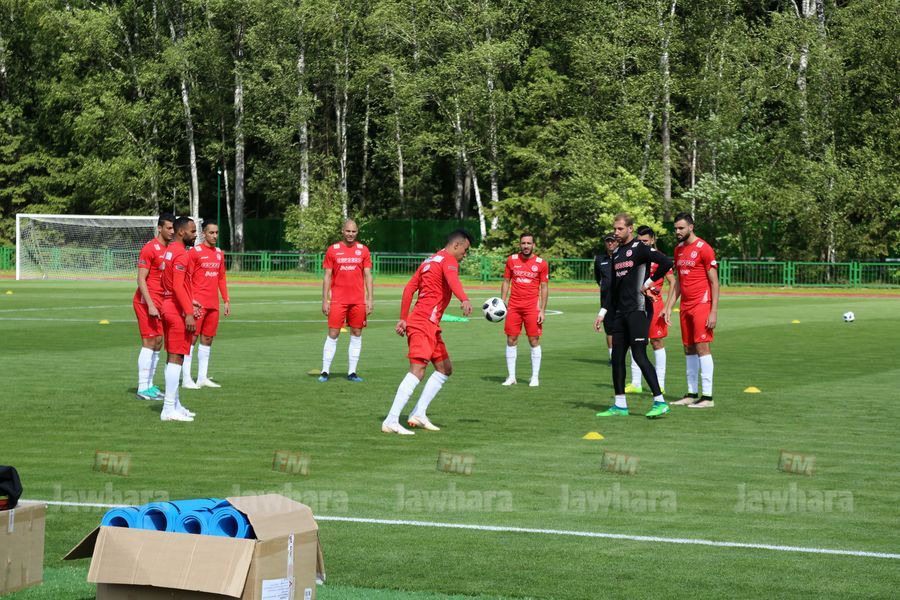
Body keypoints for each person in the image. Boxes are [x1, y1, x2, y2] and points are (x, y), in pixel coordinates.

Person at [382, 230, 474, 435]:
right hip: (423, 323)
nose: (465, 254)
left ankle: (418, 413)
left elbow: (408, 289)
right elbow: (453, 280)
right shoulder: (449, 260)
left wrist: (403, 318)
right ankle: (391, 420)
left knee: (444, 368)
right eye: (465, 250)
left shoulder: (429, 261)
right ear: (456, 245)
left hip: (427, 324)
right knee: (418, 370)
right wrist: (464, 299)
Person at [594, 213, 673, 418]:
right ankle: (620, 405)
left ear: (630, 229)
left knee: (639, 354)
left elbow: (666, 262)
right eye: (615, 229)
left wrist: (649, 282)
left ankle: (660, 401)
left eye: (620, 229)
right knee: (617, 357)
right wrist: (602, 312)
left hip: (638, 310)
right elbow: (613, 288)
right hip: (620, 312)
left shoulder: (639, 248)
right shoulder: (617, 253)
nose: (616, 232)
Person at [663, 212, 719, 408]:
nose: (677, 232)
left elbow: (715, 282)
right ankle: (691, 393)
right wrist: (669, 306)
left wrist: (713, 311)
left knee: (702, 346)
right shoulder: (678, 250)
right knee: (688, 348)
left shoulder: (704, 248)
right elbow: (679, 281)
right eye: (675, 229)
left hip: (702, 304)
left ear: (691, 227)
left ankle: (707, 397)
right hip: (685, 306)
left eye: (681, 228)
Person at [319, 219, 373, 382]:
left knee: (356, 333)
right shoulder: (333, 250)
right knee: (333, 333)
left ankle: (352, 372)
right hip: (338, 300)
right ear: (342, 231)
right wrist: (325, 300)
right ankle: (325, 371)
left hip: (358, 301)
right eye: (348, 231)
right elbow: (327, 276)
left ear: (357, 232)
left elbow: (368, 275)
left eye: (353, 231)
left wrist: (370, 299)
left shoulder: (363, 250)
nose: (350, 234)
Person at [625, 225, 676, 394]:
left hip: (655, 304)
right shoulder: (634, 256)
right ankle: (636, 383)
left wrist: (667, 306)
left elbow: (673, 282)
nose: (643, 244)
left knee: (656, 342)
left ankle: (660, 383)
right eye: (640, 241)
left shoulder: (659, 257)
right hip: (636, 305)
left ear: (653, 240)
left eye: (645, 241)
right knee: (634, 342)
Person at [159, 216, 201, 422]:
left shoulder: (170, 251)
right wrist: (189, 313)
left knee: (174, 357)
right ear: (181, 232)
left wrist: (190, 302)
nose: (195, 235)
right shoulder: (181, 254)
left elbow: (171, 284)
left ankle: (174, 404)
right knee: (176, 357)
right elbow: (177, 286)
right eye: (192, 231)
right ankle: (168, 409)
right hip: (175, 310)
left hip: (169, 305)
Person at [181, 220, 230, 389]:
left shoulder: (219, 253)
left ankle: (202, 378)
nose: (215, 236)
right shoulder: (194, 252)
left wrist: (226, 300)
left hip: (213, 304)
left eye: (217, 233)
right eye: (211, 233)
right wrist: (190, 301)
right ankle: (186, 378)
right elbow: (186, 278)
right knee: (191, 339)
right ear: (204, 234)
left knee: (208, 339)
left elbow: (221, 277)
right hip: (197, 304)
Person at [134, 214, 175, 400]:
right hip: (146, 302)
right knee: (149, 342)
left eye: (173, 228)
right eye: (168, 228)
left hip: (160, 302)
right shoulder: (150, 248)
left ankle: (150, 385)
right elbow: (141, 279)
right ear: (159, 228)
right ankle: (142, 387)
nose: (172, 231)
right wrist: (150, 304)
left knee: (158, 342)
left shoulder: (170, 249)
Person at [500, 233, 549, 387]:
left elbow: (544, 287)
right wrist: (502, 302)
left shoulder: (541, 263)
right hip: (513, 306)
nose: (526, 246)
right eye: (523, 243)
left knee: (533, 340)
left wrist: (542, 310)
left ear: (533, 245)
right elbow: (506, 281)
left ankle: (534, 377)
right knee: (511, 339)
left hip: (532, 307)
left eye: (529, 243)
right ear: (519, 244)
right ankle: (511, 377)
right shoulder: (512, 260)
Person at [593, 233, 618, 365]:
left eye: (612, 241)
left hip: (622, 298)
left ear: (617, 242)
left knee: (626, 328)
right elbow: (598, 278)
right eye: (608, 241)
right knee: (609, 329)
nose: (610, 243)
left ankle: (632, 358)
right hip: (606, 299)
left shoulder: (622, 256)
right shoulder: (600, 259)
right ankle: (612, 357)